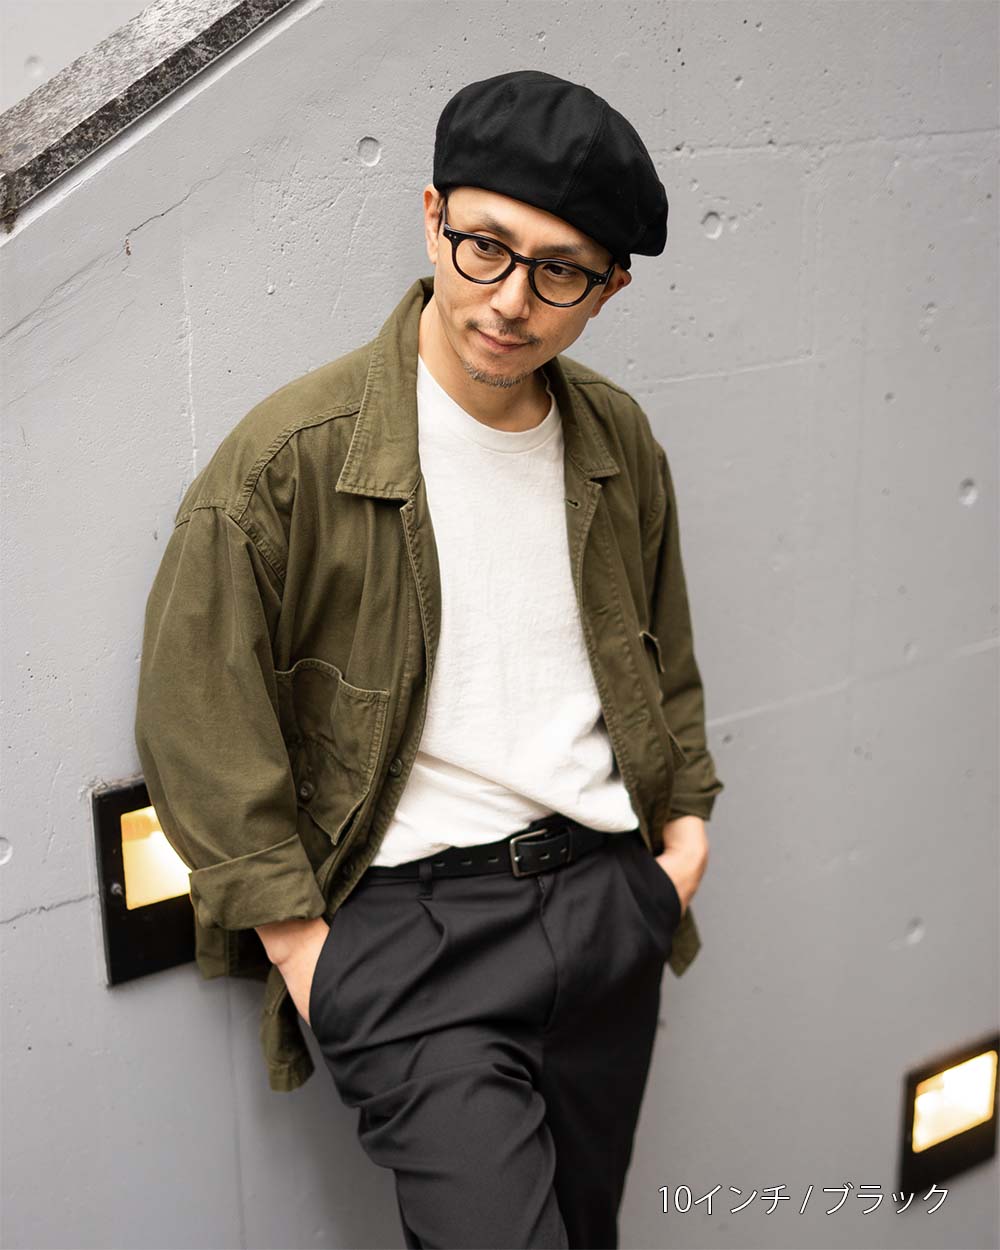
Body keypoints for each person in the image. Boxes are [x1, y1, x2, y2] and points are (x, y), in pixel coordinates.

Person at [134, 69, 724, 1250]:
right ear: (430, 217)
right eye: (484, 246)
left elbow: (662, 655)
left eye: (559, 270)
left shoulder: (616, 439)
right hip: (412, 938)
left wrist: (680, 843)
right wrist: (305, 950)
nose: (509, 300)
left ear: (609, 288)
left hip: (604, 902)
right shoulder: (289, 459)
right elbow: (194, 718)